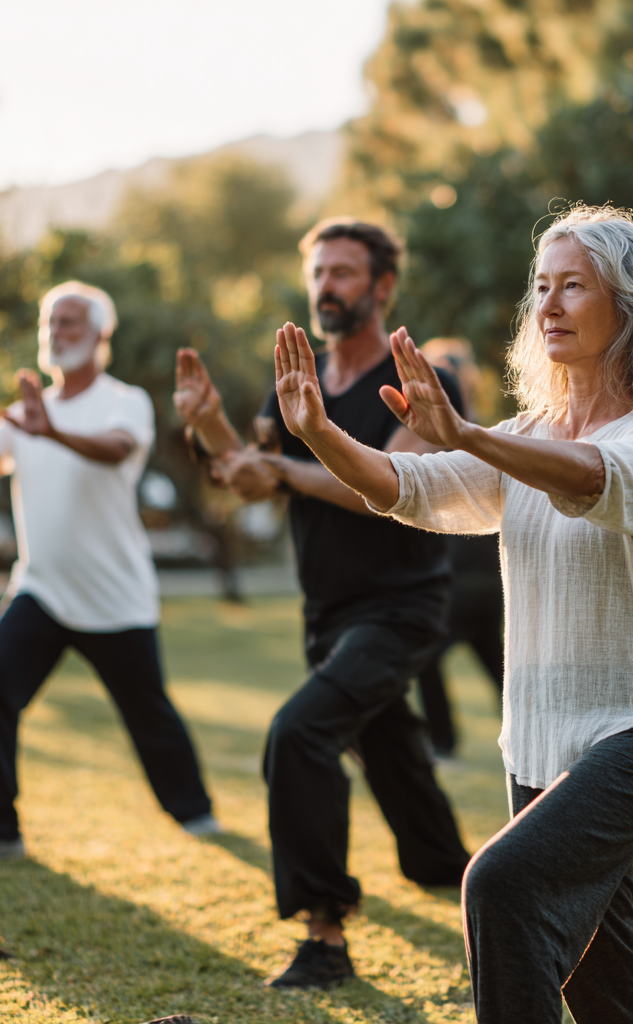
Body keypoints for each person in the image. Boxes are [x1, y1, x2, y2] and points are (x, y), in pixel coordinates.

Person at [269, 205, 633, 1023]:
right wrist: (321, 433)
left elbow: (592, 478)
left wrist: (470, 435)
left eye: (573, 286)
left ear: (631, 305)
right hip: (544, 736)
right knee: (603, 978)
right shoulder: (524, 433)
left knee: (501, 883)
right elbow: (405, 489)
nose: (547, 303)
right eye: (541, 286)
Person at [173, 219, 471, 990]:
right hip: (326, 611)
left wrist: (289, 465)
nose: (326, 287)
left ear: (382, 286)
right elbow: (251, 480)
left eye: (343, 272)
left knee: (299, 735)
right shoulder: (297, 379)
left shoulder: (421, 377)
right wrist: (210, 427)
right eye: (319, 273)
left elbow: (388, 490)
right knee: (393, 753)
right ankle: (453, 869)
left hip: (402, 605)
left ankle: (324, 936)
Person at [0, 281, 219, 871]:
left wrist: (54, 433)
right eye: (50, 323)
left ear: (100, 335)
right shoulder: (25, 412)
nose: (57, 333)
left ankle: (195, 812)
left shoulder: (125, 402)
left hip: (114, 596)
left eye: (70, 322)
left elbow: (117, 449)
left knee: (149, 712)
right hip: (40, 589)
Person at [415, 339, 504, 757]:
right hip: (446, 583)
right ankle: (443, 742)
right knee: (424, 660)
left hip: (489, 579)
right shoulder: (419, 440)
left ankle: (531, 744)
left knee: (507, 673)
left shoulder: (492, 434)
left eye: (449, 372)